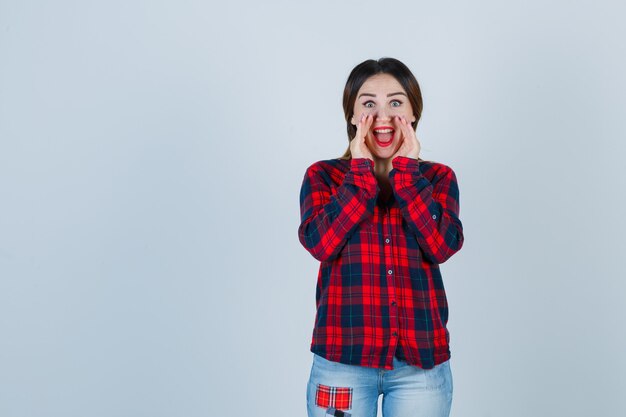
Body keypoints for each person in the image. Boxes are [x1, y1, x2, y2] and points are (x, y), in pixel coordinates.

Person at [297, 57, 465, 417]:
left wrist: (406, 172)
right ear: (353, 115)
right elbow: (320, 243)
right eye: (368, 103)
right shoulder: (323, 177)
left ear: (414, 112)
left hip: (420, 367)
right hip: (342, 363)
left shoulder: (438, 179)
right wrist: (359, 174)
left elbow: (441, 245)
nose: (383, 116)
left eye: (396, 102)